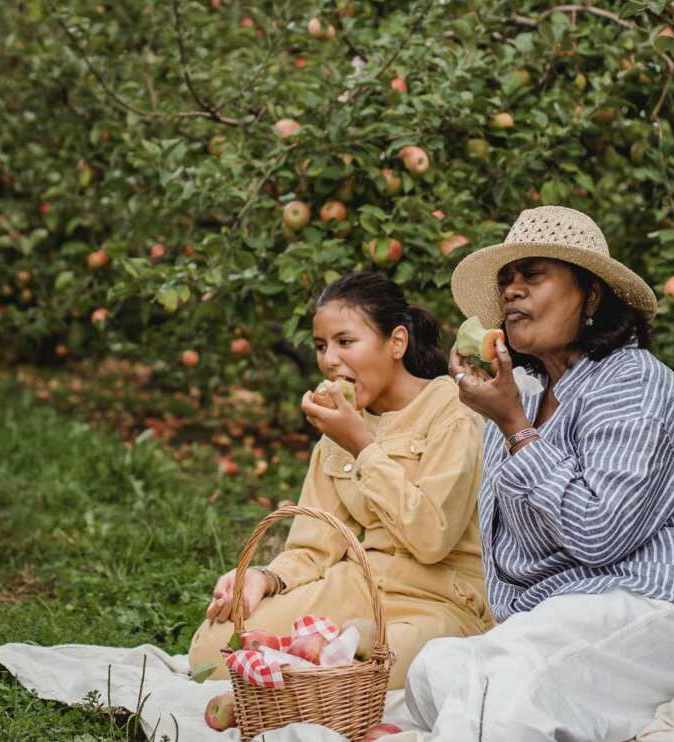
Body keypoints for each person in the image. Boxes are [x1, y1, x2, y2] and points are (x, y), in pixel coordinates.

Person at [361, 206, 674, 742]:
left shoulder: (631, 382)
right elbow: (514, 554)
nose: (512, 290)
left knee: (521, 661)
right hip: (586, 615)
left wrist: (516, 430)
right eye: (507, 280)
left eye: (534, 274)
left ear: (591, 295)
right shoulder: (522, 395)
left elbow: (599, 533)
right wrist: (505, 418)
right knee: (440, 667)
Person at [187, 272, 496, 689]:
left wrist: (363, 447)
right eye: (320, 346)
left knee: (366, 666)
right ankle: (326, 658)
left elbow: (432, 538)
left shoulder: (451, 412)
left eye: (345, 342)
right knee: (214, 648)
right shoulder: (340, 425)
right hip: (360, 587)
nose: (329, 360)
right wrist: (265, 578)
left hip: (437, 600)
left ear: (397, 343)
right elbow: (315, 546)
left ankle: (330, 663)